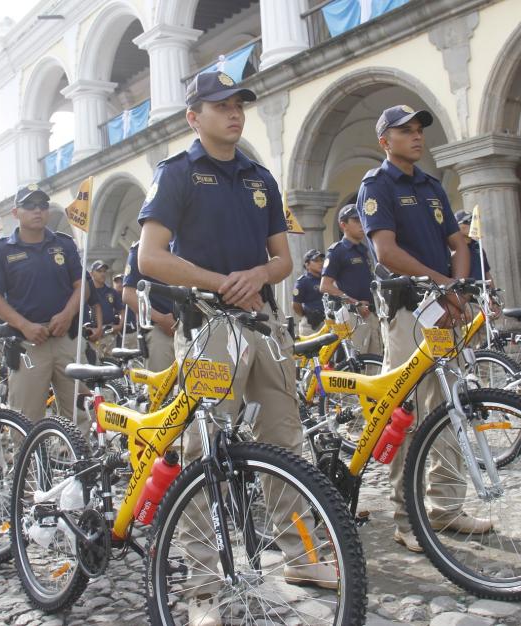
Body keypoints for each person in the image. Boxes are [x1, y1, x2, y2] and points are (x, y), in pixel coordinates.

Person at [138, 70, 336, 624]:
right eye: (220, 105)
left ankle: (300, 556)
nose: (234, 113)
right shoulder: (176, 174)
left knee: (285, 441)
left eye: (239, 104)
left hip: (262, 322)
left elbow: (283, 260)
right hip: (206, 325)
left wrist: (255, 274)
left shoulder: (261, 178)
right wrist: (217, 280)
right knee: (205, 452)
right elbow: (149, 258)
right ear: (193, 116)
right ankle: (203, 584)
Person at [357, 104, 484, 553]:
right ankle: (407, 518)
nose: (416, 136)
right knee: (407, 415)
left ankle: (445, 508)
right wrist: (443, 283)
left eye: (418, 130)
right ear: (384, 141)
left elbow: (457, 242)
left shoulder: (432, 186)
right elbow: (386, 250)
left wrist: (460, 292)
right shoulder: (377, 184)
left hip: (444, 309)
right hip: (408, 310)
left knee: (447, 407)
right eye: (404, 131)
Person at [0, 183, 100, 424]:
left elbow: (82, 286)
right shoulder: (1, 251)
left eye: (42, 205)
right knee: (25, 419)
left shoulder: (64, 244)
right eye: (30, 205)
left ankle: (79, 460)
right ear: (16, 212)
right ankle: (30, 462)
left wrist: (67, 314)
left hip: (67, 339)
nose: (38, 210)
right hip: (28, 343)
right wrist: (24, 325)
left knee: (81, 414)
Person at [320, 203, 383, 355]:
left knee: (376, 361)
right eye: (356, 220)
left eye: (362, 219)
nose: (362, 224)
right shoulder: (338, 251)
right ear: (343, 225)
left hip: (370, 312)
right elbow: (325, 286)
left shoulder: (364, 250)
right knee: (356, 362)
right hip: (352, 314)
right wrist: (354, 303)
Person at [121, 241, 175, 372]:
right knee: (161, 389)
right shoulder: (142, 248)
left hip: (193, 327)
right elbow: (128, 295)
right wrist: (162, 319)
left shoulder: (188, 241)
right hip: (160, 330)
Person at [89, 260, 124, 358]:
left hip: (109, 333)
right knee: (94, 365)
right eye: (99, 271)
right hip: (93, 333)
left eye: (104, 271)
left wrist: (120, 325)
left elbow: (121, 310)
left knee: (112, 364)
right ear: (91, 273)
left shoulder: (112, 292)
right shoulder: (86, 292)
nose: (103, 274)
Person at [292, 248, 325, 336]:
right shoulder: (302, 282)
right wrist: (307, 315)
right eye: (316, 261)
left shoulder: (325, 279)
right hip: (311, 326)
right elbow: (296, 305)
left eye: (321, 260)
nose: (320, 263)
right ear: (307, 265)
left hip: (327, 322)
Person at [454, 210, 493, 283]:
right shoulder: (452, 248)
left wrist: (493, 291)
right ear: (456, 226)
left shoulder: (477, 246)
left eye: (472, 222)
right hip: (464, 291)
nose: (471, 225)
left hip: (482, 291)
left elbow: (486, 272)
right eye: (467, 222)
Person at [113, 273, 138, 350]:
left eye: (121, 281)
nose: (119, 284)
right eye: (117, 282)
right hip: (119, 334)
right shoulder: (111, 297)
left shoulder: (132, 295)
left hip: (133, 332)